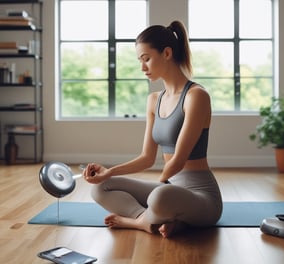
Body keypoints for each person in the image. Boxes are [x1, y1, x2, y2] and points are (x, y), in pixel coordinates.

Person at [83, 20, 223, 238]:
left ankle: (138, 222)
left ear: (167, 53)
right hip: (169, 188)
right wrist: (109, 172)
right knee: (101, 187)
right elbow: (147, 158)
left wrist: (157, 190)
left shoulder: (196, 96)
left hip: (201, 196)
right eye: (140, 60)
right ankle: (156, 221)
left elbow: (178, 160)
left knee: (159, 198)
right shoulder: (154, 100)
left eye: (146, 59)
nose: (142, 67)